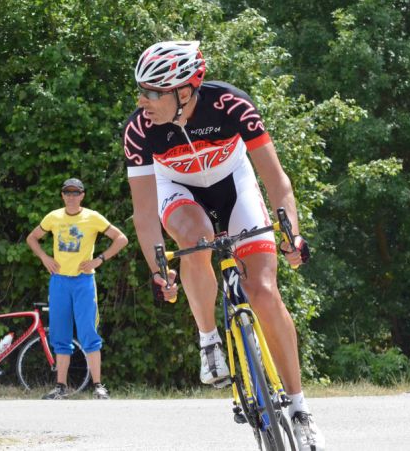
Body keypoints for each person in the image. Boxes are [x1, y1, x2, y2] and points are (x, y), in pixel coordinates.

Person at [123, 41, 325, 450]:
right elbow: (144, 214)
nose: (143, 101)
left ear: (184, 90)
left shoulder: (230, 104)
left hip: (235, 182)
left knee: (263, 291)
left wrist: (292, 234)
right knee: (195, 238)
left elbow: (276, 179)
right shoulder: (139, 130)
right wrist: (159, 271)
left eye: (153, 92)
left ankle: (300, 410)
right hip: (176, 189)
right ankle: (209, 339)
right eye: (141, 90)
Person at [26, 178, 128, 400]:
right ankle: (60, 387)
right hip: (59, 282)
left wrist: (99, 259)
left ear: (82, 195)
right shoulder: (53, 217)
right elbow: (32, 238)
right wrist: (44, 257)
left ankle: (98, 386)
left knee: (88, 332)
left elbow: (121, 238)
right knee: (60, 333)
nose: (71, 197)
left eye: (75, 193)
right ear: (62, 195)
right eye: (67, 192)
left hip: (83, 282)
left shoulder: (92, 217)